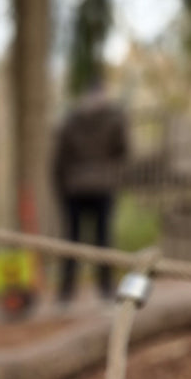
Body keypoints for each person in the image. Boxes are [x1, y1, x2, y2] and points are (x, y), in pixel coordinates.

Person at [52, 83, 129, 303]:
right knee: (85, 240)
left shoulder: (108, 120)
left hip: (86, 188)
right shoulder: (107, 119)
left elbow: (123, 152)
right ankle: (74, 292)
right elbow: (123, 153)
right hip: (84, 189)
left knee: (89, 240)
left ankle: (74, 293)